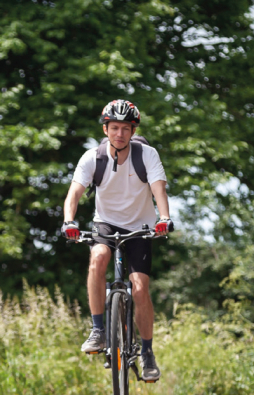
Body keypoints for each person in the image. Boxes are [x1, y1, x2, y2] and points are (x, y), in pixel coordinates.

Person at [61, 99, 172, 382]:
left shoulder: (147, 155)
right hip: (106, 224)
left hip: (140, 227)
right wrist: (69, 222)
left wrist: (164, 218)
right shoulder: (92, 158)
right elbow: (74, 194)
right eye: (114, 128)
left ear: (133, 131)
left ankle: (147, 353)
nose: (119, 134)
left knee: (139, 288)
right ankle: (98, 329)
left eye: (125, 128)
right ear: (105, 129)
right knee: (98, 259)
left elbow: (159, 189)